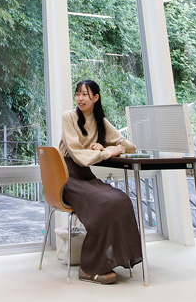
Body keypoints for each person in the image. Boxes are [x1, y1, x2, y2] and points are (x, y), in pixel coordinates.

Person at [59, 79, 142, 284]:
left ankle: (114, 258)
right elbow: (77, 155)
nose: (80, 98)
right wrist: (106, 151)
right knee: (104, 203)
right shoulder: (69, 117)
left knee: (121, 199)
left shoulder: (100, 121)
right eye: (77, 94)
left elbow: (131, 147)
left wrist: (118, 144)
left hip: (85, 176)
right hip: (66, 177)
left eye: (85, 94)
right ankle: (89, 268)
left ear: (95, 98)